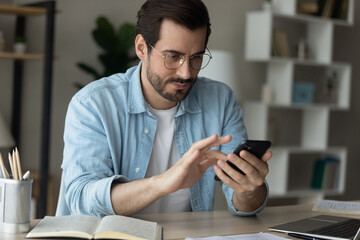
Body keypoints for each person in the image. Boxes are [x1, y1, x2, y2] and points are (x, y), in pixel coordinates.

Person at [62, 0, 272, 218]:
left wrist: (249, 190)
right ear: (142, 48)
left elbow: (244, 202)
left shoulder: (220, 100)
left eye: (196, 57)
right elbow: (82, 201)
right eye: (173, 56)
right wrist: (164, 182)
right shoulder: (92, 103)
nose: (186, 73)